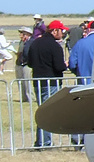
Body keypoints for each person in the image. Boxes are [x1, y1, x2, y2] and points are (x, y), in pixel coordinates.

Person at [26, 19, 68, 147]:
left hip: (38, 81)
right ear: (55, 31)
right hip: (51, 82)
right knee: (48, 113)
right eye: (61, 31)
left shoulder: (35, 43)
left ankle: (41, 141)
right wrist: (65, 65)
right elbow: (59, 66)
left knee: (42, 111)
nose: (62, 33)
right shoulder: (55, 46)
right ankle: (45, 142)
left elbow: (30, 63)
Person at [68, 20, 94, 147]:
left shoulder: (80, 44)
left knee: (85, 114)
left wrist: (79, 73)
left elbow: (72, 63)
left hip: (85, 83)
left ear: (88, 29)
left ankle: (81, 140)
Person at [14, 26, 34, 101]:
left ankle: (30, 98)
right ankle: (23, 98)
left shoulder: (31, 42)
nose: (21, 35)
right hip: (19, 63)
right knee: (20, 82)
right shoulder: (21, 42)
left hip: (27, 64)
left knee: (27, 82)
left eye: (22, 33)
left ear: (27, 34)